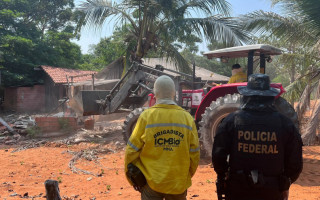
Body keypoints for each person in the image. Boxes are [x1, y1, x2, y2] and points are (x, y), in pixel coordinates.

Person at [212, 74, 303, 200]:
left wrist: (223, 176)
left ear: (246, 96)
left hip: (238, 189)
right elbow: (295, 163)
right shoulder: (286, 124)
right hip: (272, 191)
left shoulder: (231, 121)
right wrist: (285, 182)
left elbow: (218, 156)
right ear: (270, 97)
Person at [125, 75, 200, 200]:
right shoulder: (187, 118)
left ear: (155, 93)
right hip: (178, 184)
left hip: (151, 184)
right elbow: (194, 153)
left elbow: (131, 150)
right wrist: (185, 177)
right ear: (174, 93)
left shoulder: (146, 117)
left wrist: (132, 178)